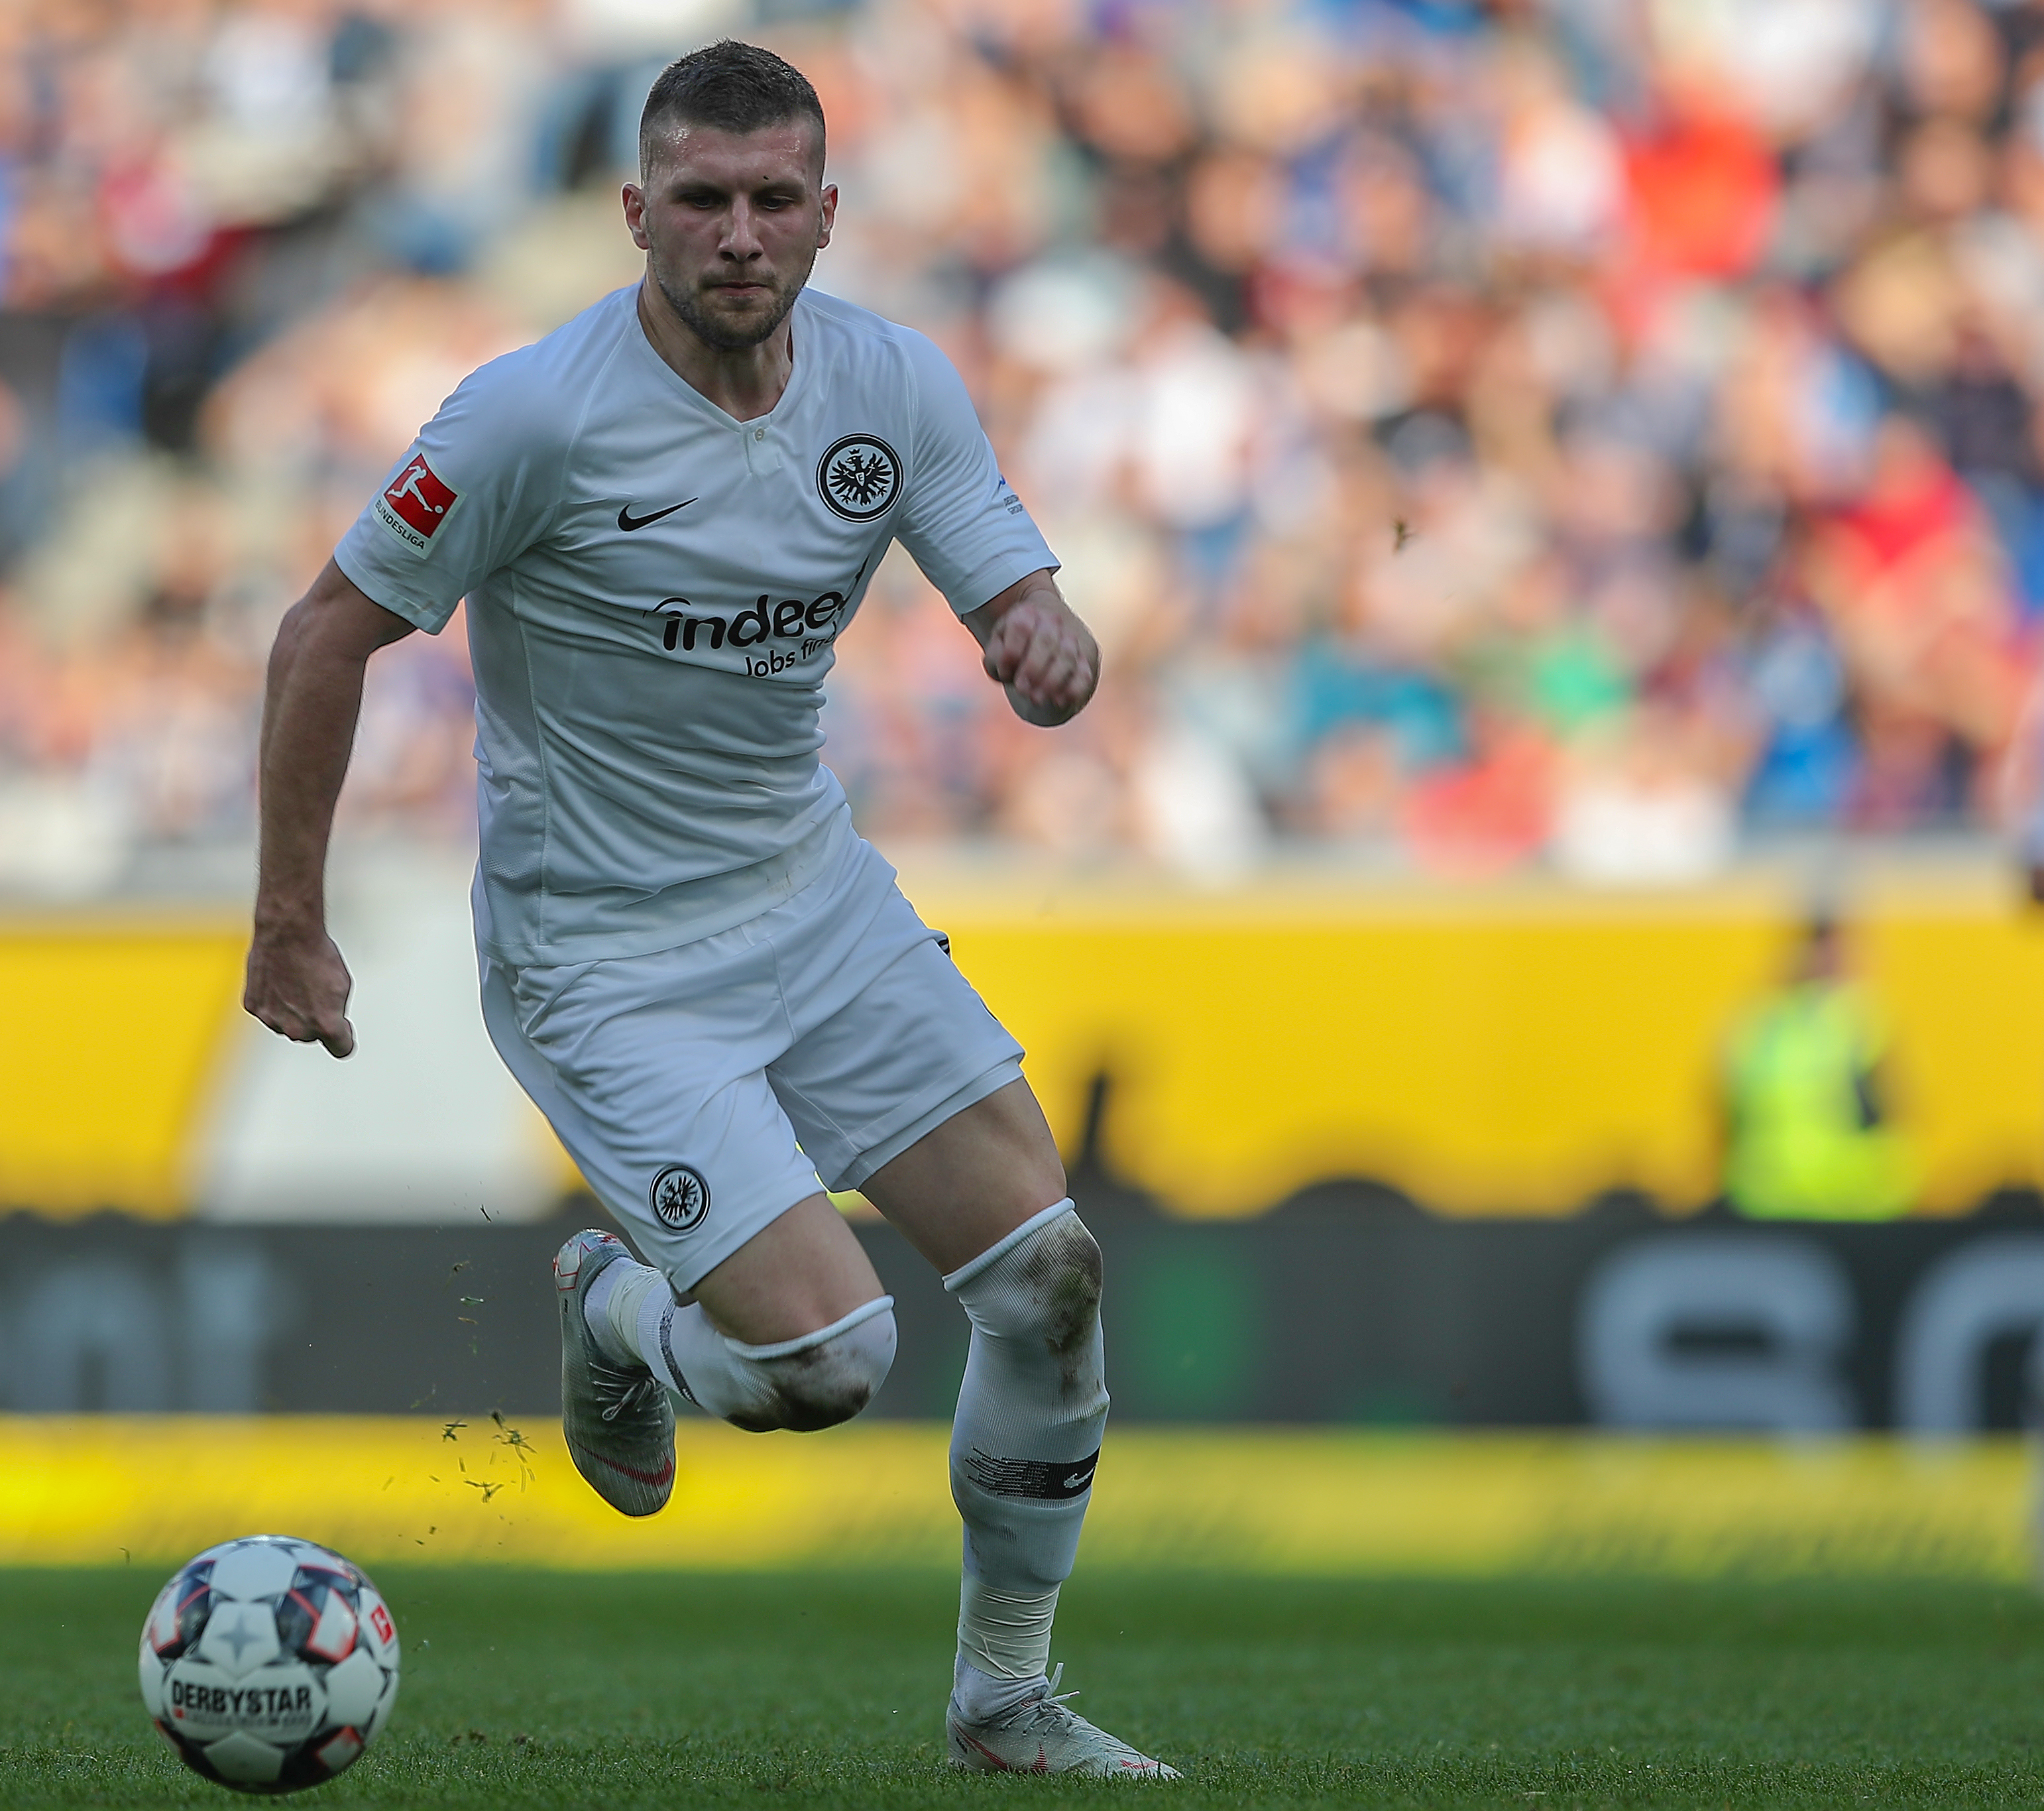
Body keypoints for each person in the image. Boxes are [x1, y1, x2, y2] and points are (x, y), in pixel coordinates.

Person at [244, 43, 1172, 1779]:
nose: (737, 235)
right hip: (603, 961)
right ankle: (617, 1313)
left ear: (827, 215)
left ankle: (1006, 1698)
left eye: (770, 201)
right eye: (700, 201)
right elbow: (321, 637)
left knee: (1048, 1275)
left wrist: (1052, 649)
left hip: (813, 904)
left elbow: (1028, 604)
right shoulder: (526, 418)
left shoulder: (891, 388)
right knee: (832, 1361)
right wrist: (286, 918)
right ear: (634, 215)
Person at [1723, 913, 1914, 1222]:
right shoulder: (1861, 1020)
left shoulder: (1761, 1024)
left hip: (1796, 1201)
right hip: (1843, 1203)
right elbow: (1900, 1109)